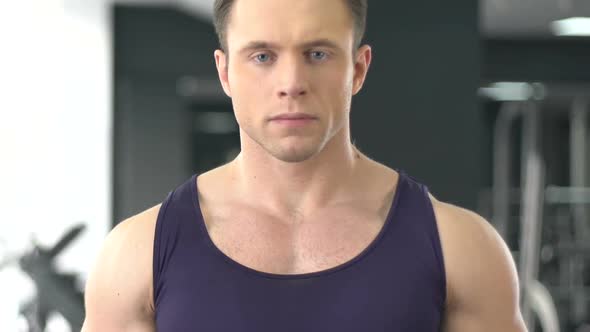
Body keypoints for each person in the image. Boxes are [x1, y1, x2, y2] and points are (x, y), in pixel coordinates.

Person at [82, 0, 528, 330]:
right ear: (225, 73)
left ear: (358, 68)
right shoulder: (135, 255)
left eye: (317, 54)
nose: (291, 83)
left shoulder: (463, 250)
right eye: (262, 56)